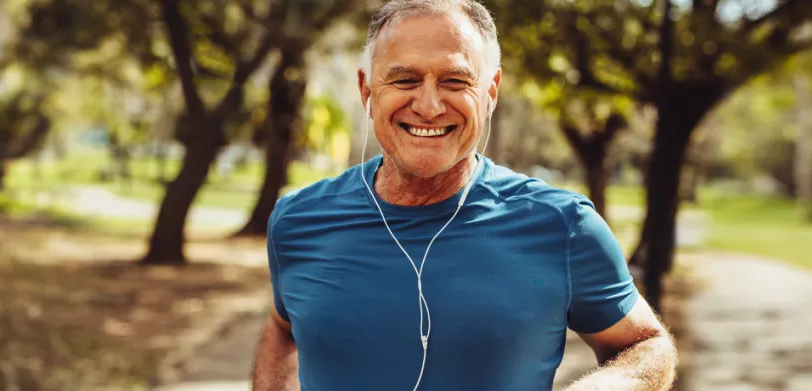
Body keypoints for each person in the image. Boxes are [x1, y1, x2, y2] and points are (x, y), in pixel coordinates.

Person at [251, 1, 677, 390]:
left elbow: (646, 345)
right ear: (366, 90)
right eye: (405, 79)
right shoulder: (297, 220)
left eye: (455, 81)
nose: (429, 106)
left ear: (490, 92)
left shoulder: (564, 225)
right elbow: (284, 326)